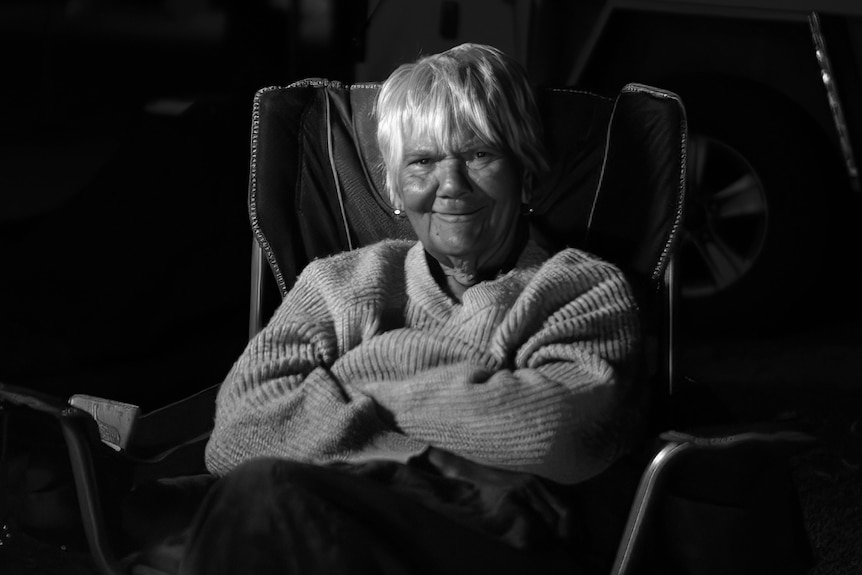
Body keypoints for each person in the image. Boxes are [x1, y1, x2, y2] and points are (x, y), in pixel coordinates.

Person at [167, 43, 644, 575]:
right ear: (396, 190)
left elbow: (555, 434)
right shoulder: (338, 283)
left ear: (525, 174)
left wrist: (359, 375)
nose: (451, 185)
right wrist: (443, 445)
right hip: (340, 517)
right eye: (423, 162)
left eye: (480, 155)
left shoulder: (580, 287)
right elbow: (239, 434)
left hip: (494, 541)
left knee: (258, 497)